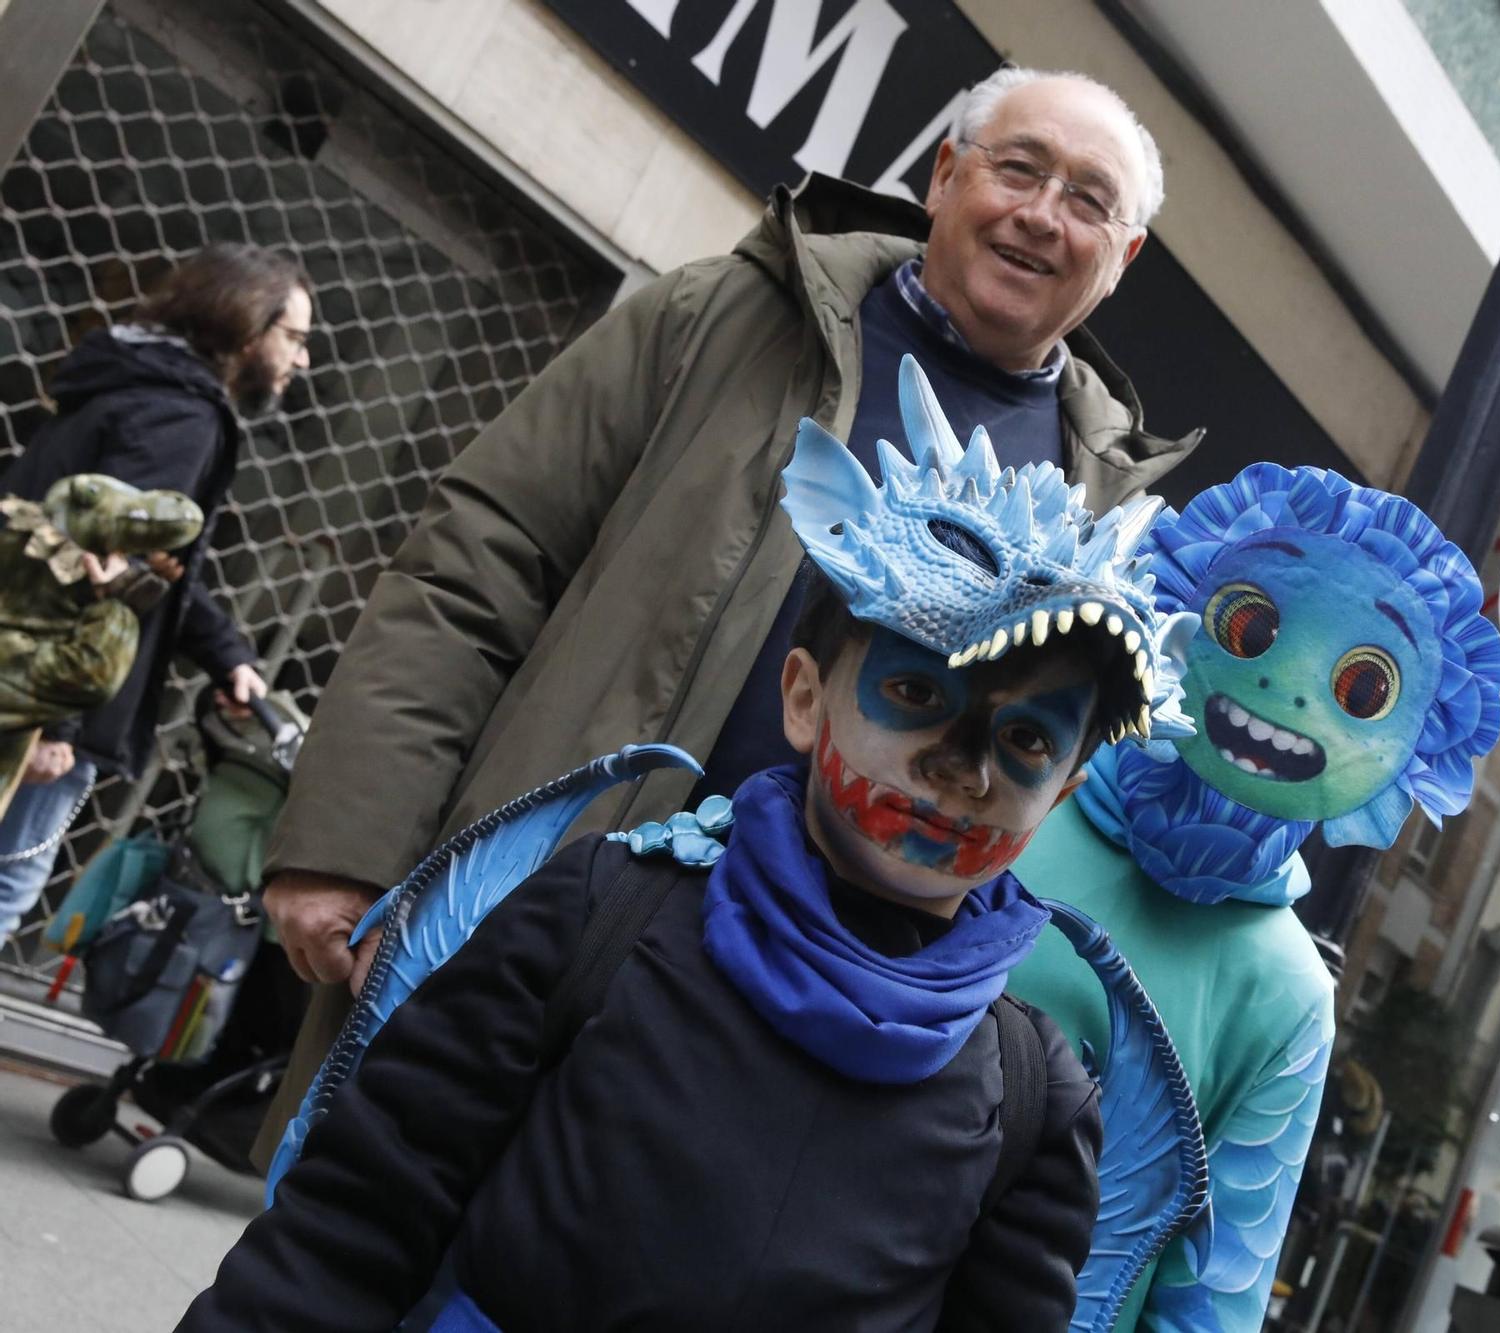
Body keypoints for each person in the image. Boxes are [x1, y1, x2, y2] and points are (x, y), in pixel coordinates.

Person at [253, 66, 1197, 1163]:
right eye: (1017, 168)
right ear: (943, 176)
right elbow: (480, 560)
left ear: (1120, 257)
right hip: (531, 925)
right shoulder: (726, 316)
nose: (1042, 215)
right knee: (364, 1250)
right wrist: (351, 842)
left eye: (1089, 200)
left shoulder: (1105, 510)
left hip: (801, 1060)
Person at [181, 358, 1190, 1331]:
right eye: (917, 694)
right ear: (802, 698)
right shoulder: (595, 915)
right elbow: (350, 1226)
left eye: (1023, 742)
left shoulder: (1034, 1099)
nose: (959, 766)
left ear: (1057, 794)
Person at [1006, 462, 1500, 1331]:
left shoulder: (1287, 997)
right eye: (1249, 625)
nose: (1291, 689)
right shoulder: (1015, 792)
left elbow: (1213, 1297)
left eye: (1361, 689)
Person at [0, 243, 305, 944]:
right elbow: (102, 558)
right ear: (246, 324)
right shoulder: (183, 415)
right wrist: (60, 725)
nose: (302, 359)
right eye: (294, 338)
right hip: (47, 694)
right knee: (8, 881)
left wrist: (226, 652)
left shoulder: (129, 380)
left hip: (21, 663)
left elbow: (150, 567)